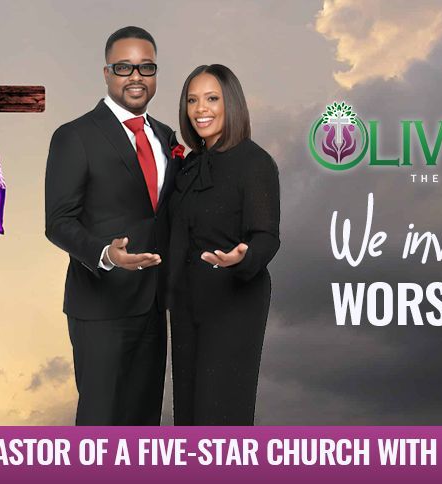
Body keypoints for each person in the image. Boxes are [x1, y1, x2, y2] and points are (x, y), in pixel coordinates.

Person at [44, 26, 180, 425]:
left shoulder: (166, 137)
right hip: (100, 307)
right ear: (107, 73)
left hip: (153, 305)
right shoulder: (75, 136)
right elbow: (58, 222)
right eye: (124, 67)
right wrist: (105, 254)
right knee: (100, 424)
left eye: (146, 67)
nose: (136, 76)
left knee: (143, 424)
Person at [168, 64, 281, 425]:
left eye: (212, 99)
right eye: (192, 100)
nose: (200, 109)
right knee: (187, 417)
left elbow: (266, 236)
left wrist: (244, 257)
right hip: (186, 304)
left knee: (219, 414)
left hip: (233, 303)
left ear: (231, 103)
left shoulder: (255, 162)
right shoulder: (188, 167)